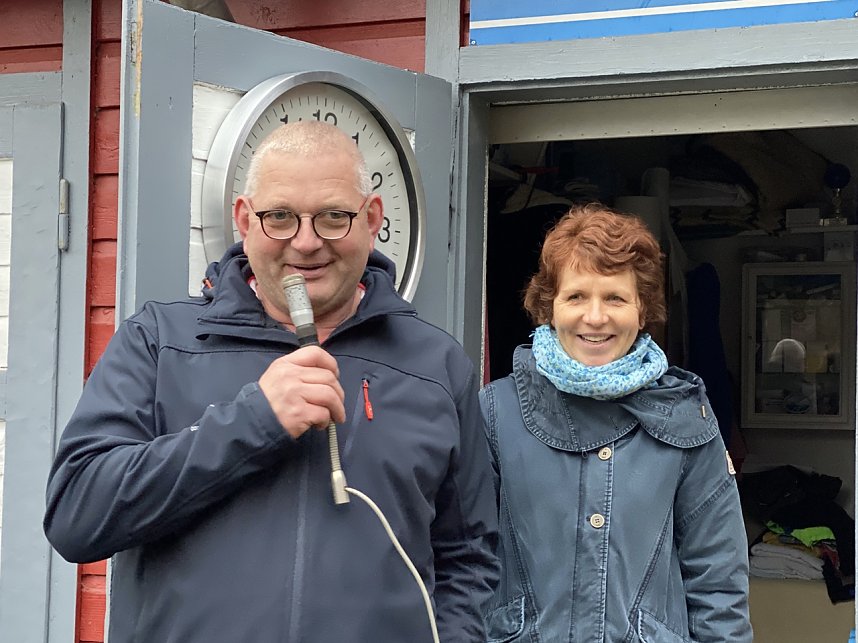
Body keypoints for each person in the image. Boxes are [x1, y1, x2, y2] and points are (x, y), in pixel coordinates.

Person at [44, 121, 499, 642]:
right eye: (279, 217)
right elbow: (77, 516)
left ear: (372, 218)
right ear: (244, 219)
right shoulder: (161, 341)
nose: (305, 243)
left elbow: (468, 557)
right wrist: (253, 420)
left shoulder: (435, 365)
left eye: (333, 217)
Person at [480, 203, 752, 642]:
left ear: (643, 309)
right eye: (576, 296)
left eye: (615, 298)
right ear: (549, 307)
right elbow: (464, 562)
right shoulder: (496, 412)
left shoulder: (688, 417)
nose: (595, 317)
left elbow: (718, 581)